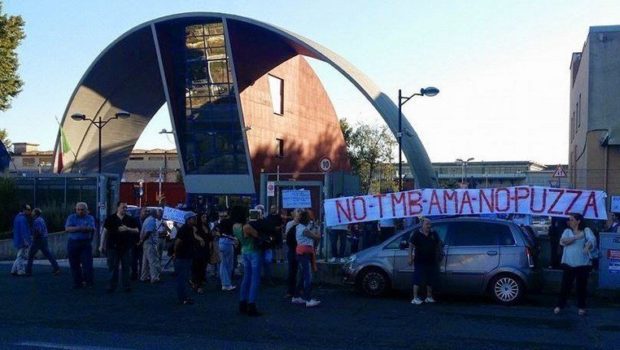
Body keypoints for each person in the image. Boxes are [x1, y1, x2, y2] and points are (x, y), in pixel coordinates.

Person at [554, 213, 597, 316]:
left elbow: (592, 240)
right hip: (569, 264)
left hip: (583, 264)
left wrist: (588, 246)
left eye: (572, 219)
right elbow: (563, 242)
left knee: (581, 287)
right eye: (569, 219)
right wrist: (577, 237)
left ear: (578, 221)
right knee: (565, 286)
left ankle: (581, 307)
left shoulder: (586, 231)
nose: (570, 222)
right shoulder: (567, 231)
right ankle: (560, 305)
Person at [100, 202, 139, 292]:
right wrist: (101, 245)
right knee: (113, 267)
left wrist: (127, 228)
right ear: (117, 208)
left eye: (126, 208)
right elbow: (104, 232)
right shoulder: (111, 219)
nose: (125, 209)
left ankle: (126, 286)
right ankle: (112, 286)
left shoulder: (130, 219)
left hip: (126, 247)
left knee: (126, 267)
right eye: (123, 207)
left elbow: (137, 230)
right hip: (112, 247)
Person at [234, 206, 263, 316]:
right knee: (255, 279)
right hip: (253, 252)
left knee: (246, 278)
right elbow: (257, 235)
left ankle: (243, 302)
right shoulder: (247, 226)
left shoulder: (235, 226)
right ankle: (252, 304)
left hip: (244, 251)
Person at [291, 210, 322, 307]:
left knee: (303, 276)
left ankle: (296, 296)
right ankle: (308, 299)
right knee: (308, 277)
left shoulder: (299, 227)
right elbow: (317, 237)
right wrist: (317, 229)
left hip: (300, 252)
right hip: (305, 253)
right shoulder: (304, 230)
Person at [408, 218, 442, 305]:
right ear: (422, 225)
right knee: (417, 278)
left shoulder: (433, 233)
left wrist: (439, 254)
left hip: (431, 260)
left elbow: (438, 244)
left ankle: (429, 297)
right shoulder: (416, 234)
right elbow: (411, 246)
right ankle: (415, 298)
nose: (429, 226)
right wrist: (410, 258)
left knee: (430, 279)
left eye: (430, 224)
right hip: (419, 260)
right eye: (427, 224)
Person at [65, 202, 96, 289]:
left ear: (86, 210)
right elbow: (67, 229)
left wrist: (75, 228)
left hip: (85, 243)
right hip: (73, 243)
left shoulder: (90, 218)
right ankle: (77, 282)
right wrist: (81, 228)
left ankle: (89, 281)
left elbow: (91, 228)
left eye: (82, 210)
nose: (80, 211)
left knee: (88, 264)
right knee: (74, 264)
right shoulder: (71, 217)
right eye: (78, 209)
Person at [26, 208, 61, 276]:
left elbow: (38, 231)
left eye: (33, 212)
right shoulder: (41, 219)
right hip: (44, 239)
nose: (31, 213)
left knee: (30, 255)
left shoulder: (36, 221)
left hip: (38, 239)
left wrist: (34, 238)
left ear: (35, 213)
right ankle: (56, 268)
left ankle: (28, 271)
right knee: (48, 254)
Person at [174, 211, 198, 305]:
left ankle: (185, 297)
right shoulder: (184, 229)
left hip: (187, 256)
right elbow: (177, 242)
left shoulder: (190, 229)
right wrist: (176, 253)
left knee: (185, 278)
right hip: (182, 257)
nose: (195, 220)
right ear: (188, 220)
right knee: (182, 278)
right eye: (193, 218)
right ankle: (183, 298)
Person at [216, 209, 237, 291]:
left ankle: (225, 283)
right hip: (228, 243)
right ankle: (226, 284)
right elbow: (232, 233)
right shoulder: (231, 222)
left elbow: (219, 232)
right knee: (228, 264)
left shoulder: (220, 223)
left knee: (222, 264)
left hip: (220, 242)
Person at [140, 208, 161, 284]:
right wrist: (142, 240)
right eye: (158, 213)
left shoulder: (147, 220)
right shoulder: (151, 220)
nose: (159, 214)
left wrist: (141, 241)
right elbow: (148, 232)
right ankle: (154, 278)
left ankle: (144, 277)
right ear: (154, 213)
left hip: (146, 243)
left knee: (145, 261)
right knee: (153, 261)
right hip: (150, 243)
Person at [191, 212, 210, 294]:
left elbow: (209, 237)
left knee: (203, 267)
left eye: (206, 217)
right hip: (198, 249)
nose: (205, 219)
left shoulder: (207, 226)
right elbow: (194, 235)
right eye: (203, 217)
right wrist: (200, 239)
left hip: (206, 249)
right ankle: (197, 285)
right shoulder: (196, 227)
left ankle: (199, 282)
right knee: (198, 268)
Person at [11, 204, 32, 276]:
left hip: (18, 240)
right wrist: (26, 241)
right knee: (21, 256)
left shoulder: (17, 217)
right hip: (22, 241)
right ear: (24, 210)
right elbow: (24, 231)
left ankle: (13, 270)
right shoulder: (23, 219)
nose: (30, 211)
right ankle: (20, 270)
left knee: (19, 255)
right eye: (28, 210)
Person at [284, 209, 301, 298]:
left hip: (301, 249)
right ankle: (290, 291)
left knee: (302, 271)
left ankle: (300, 290)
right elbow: (287, 235)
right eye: (298, 211)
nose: (299, 213)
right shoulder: (290, 224)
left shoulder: (305, 224)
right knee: (292, 271)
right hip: (292, 249)